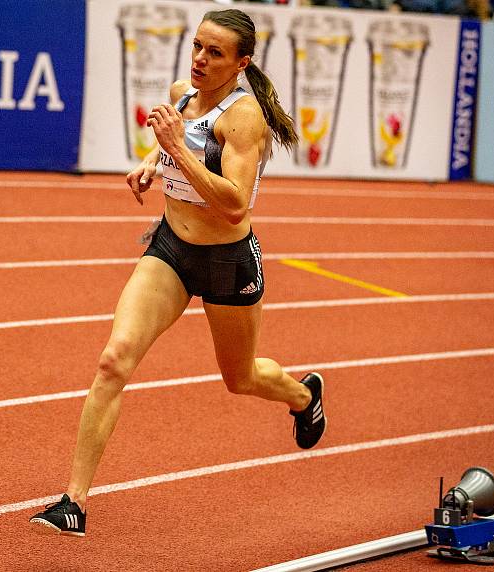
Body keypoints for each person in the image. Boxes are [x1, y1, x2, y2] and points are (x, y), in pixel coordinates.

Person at [29, 8, 326, 537]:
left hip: (226, 262)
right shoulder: (182, 94)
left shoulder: (244, 118)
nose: (199, 60)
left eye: (214, 53)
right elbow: (181, 145)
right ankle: (72, 501)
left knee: (240, 378)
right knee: (113, 361)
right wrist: (152, 163)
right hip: (170, 249)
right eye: (196, 47)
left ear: (241, 63)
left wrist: (171, 150)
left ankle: (304, 396)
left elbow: (234, 203)